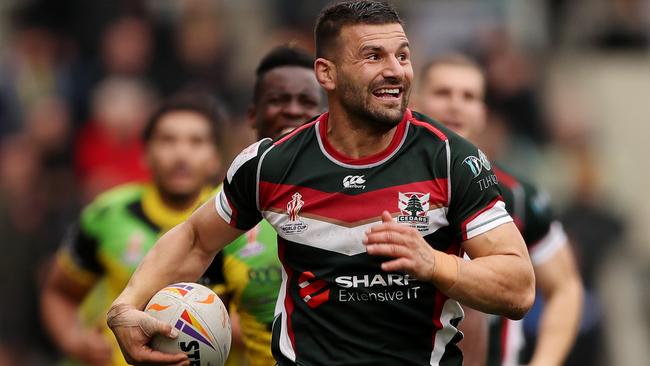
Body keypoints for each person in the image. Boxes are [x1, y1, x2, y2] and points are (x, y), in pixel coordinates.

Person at [106, 2, 535, 365]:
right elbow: (196, 239)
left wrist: (435, 264)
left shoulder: (450, 158)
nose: (395, 71)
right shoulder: (273, 164)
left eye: (402, 56)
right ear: (326, 74)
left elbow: (518, 285)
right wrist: (125, 306)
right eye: (373, 57)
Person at [414, 54, 583, 366]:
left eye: (469, 96)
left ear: (482, 113)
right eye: (443, 93)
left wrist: (544, 362)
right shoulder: (382, 185)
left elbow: (565, 287)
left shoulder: (517, 195)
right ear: (416, 101)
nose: (456, 105)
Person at [41, 93, 226, 366]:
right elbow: (58, 291)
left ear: (215, 158)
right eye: (167, 140)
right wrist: (74, 340)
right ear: (145, 155)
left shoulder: (239, 222)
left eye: (196, 142)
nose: (181, 153)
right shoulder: (107, 214)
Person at [212, 45, 324, 366]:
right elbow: (195, 308)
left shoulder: (360, 198)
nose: (292, 110)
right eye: (278, 100)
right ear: (252, 115)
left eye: (306, 101)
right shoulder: (219, 216)